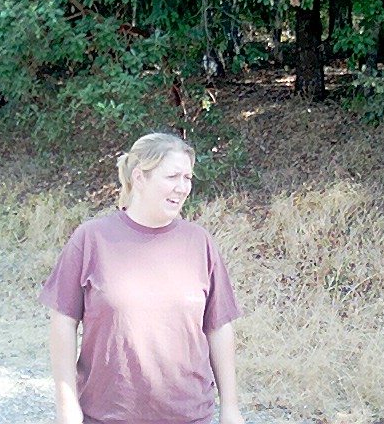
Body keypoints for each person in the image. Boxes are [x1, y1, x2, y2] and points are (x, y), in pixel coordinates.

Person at [39, 132, 245, 424]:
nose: (183, 187)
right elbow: (63, 321)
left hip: (190, 416)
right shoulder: (91, 238)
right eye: (173, 176)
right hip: (106, 415)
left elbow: (219, 328)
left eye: (188, 177)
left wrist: (231, 408)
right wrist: (66, 406)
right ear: (139, 177)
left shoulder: (200, 243)